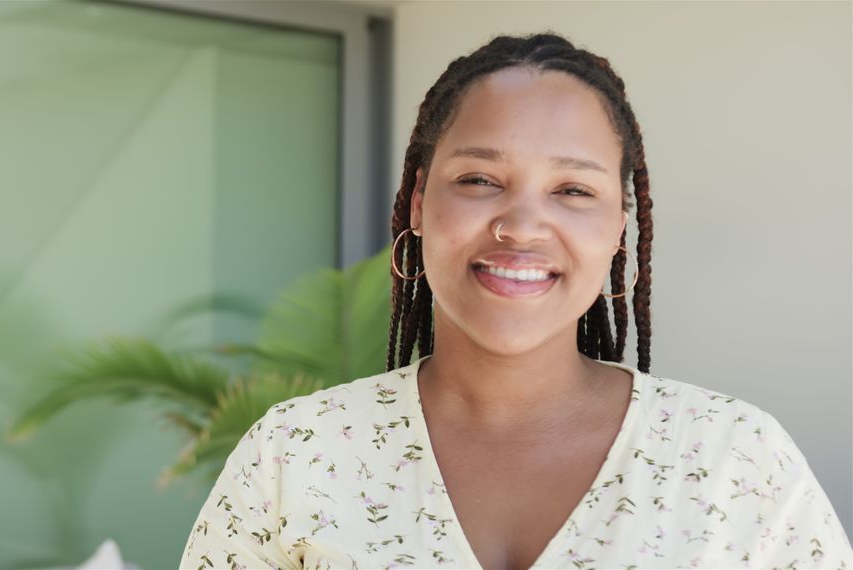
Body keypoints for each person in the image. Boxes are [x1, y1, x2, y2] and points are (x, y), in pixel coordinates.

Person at [178, 31, 853, 569]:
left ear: (619, 224)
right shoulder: (294, 454)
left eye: (573, 190)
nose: (523, 226)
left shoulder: (735, 458)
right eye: (478, 178)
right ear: (418, 202)